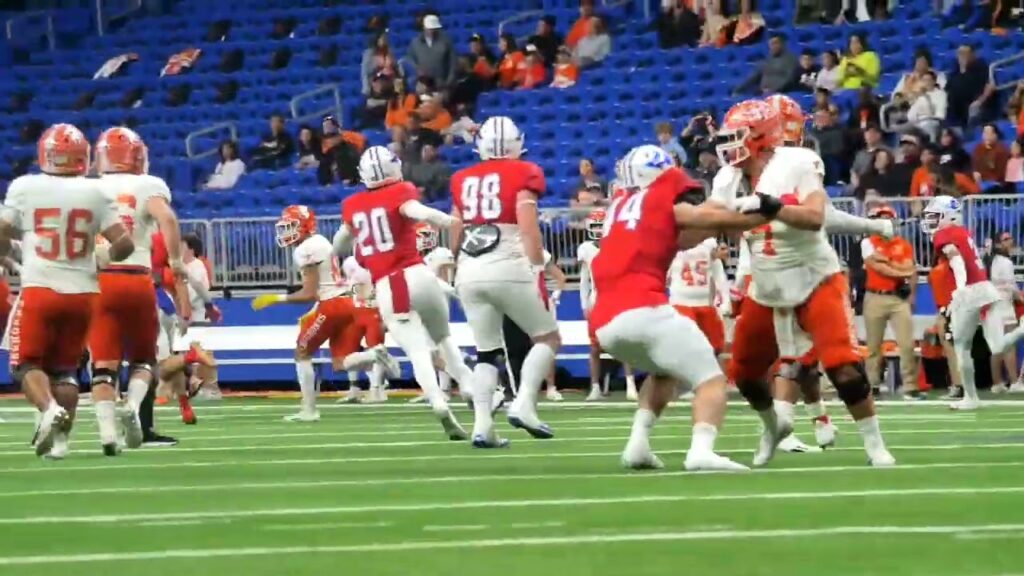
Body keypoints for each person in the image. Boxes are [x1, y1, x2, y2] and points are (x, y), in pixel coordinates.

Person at [713, 99, 894, 467]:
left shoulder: (797, 162)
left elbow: (815, 217)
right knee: (745, 375)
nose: (729, 145)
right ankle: (773, 426)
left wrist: (772, 207)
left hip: (814, 278)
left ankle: (874, 444)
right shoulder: (726, 178)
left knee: (843, 365)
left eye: (737, 136)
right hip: (766, 286)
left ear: (760, 137)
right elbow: (717, 224)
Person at [591, 145, 780, 472]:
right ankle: (701, 451)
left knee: (663, 371)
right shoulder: (658, 201)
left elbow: (686, 237)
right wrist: (767, 209)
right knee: (710, 379)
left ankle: (638, 445)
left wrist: (734, 200)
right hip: (644, 310)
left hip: (606, 323)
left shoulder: (619, 208)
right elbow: (712, 216)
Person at [0, 123, 134, 458]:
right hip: (83, 293)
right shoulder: (96, 192)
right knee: (65, 370)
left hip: (41, 287)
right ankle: (60, 443)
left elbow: (1, 229)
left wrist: (15, 254)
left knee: (25, 364)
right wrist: (101, 257)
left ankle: (48, 410)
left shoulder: (26, 186)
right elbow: (125, 243)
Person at [335, 146, 483, 443]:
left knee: (418, 353)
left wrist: (336, 258)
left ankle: (438, 402)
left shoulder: (353, 206)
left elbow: (340, 241)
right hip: (419, 276)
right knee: (444, 340)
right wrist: (450, 221)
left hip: (389, 287)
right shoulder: (401, 190)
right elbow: (419, 212)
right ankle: (469, 387)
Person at [449, 116, 561, 443]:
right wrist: (538, 266)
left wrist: (457, 265)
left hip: (469, 266)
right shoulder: (524, 171)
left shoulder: (461, 178)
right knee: (548, 338)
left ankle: (482, 426)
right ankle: (523, 403)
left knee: (486, 353)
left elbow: (455, 228)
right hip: (509, 261)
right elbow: (528, 226)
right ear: (517, 143)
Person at [88, 127, 189, 453]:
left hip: (98, 280)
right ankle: (133, 410)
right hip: (136, 277)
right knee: (144, 359)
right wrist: (176, 261)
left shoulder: (88, 187)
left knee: (103, 363)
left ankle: (107, 436)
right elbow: (168, 220)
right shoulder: (148, 184)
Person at [251, 205, 401, 422]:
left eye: (291, 226)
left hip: (332, 305)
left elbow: (310, 293)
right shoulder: (321, 240)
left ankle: (309, 411)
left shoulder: (305, 249)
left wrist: (276, 298)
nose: (287, 232)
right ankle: (373, 355)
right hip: (346, 302)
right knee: (340, 363)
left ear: (305, 225)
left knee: (302, 354)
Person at [922, 196, 1024, 410]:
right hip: (986, 287)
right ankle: (1021, 329)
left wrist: (960, 288)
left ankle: (971, 397)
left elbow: (957, 259)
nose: (931, 221)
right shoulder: (964, 232)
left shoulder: (945, 234)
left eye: (934, 216)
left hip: (970, 290)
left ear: (949, 215)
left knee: (961, 345)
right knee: (996, 345)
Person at [577, 208, 638, 402]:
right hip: (597, 299)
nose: (598, 230)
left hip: (617, 298)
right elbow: (584, 279)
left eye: (601, 226)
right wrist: (584, 304)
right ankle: (595, 387)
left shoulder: (618, 244)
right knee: (595, 347)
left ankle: (630, 385)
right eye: (595, 226)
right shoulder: (587, 249)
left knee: (625, 344)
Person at [860, 204, 918, 397]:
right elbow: (876, 267)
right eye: (881, 218)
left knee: (907, 344)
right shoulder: (868, 243)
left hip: (898, 298)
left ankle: (910, 386)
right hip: (874, 296)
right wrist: (901, 270)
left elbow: (910, 267)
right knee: (873, 347)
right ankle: (872, 385)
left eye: (888, 218)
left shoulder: (903, 244)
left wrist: (886, 261)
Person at [667, 237, 731, 382]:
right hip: (681, 300)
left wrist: (725, 300)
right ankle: (683, 382)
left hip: (704, 302)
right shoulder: (673, 240)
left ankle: (714, 380)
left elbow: (718, 271)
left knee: (716, 346)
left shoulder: (710, 243)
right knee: (685, 345)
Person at [986, 231, 1022, 393]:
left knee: (996, 345)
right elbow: (1012, 287)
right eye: (1006, 239)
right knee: (1009, 344)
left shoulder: (989, 261)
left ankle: (997, 383)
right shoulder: (1005, 262)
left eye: (1010, 238)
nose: (1011, 241)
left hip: (991, 307)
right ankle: (1014, 382)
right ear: (998, 244)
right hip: (1003, 305)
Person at [945, 45, 996, 128]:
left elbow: (990, 87)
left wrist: (979, 101)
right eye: (960, 53)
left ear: (972, 55)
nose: (962, 56)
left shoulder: (981, 69)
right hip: (956, 108)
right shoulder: (954, 73)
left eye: (965, 53)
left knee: (974, 111)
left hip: (975, 105)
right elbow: (947, 90)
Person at [733, 34, 799, 96]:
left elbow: (789, 79)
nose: (772, 46)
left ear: (782, 44)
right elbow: (752, 78)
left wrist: (773, 90)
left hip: (781, 95)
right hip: (762, 94)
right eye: (770, 44)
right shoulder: (767, 61)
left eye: (775, 43)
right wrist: (738, 90)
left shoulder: (791, 59)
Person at [407, 14, 456, 89]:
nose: (432, 31)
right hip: (423, 85)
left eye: (434, 28)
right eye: (430, 28)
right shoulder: (415, 43)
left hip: (442, 85)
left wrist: (448, 84)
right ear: (424, 27)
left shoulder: (446, 42)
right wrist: (417, 73)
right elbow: (410, 61)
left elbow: (453, 64)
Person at [905, 71, 946, 141]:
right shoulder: (920, 95)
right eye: (924, 80)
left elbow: (939, 115)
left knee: (929, 126)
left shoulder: (941, 94)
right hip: (917, 123)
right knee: (901, 128)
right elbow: (911, 115)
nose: (926, 83)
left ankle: (931, 148)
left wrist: (927, 99)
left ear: (934, 81)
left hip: (932, 122)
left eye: (928, 80)